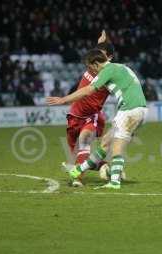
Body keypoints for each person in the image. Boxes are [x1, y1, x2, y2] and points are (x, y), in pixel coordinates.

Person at [47, 49, 147, 189]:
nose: (90, 71)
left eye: (89, 67)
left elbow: (88, 90)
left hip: (129, 110)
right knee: (106, 142)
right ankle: (78, 170)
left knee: (116, 147)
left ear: (95, 64)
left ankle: (114, 182)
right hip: (140, 110)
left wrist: (64, 99)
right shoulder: (119, 67)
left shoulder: (107, 70)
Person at [51, 30, 116, 187]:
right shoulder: (94, 62)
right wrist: (100, 41)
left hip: (90, 115)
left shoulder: (111, 74)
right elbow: (96, 53)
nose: (97, 60)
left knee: (84, 143)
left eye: (102, 55)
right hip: (74, 116)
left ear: (110, 58)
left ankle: (77, 178)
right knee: (79, 155)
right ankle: (104, 167)